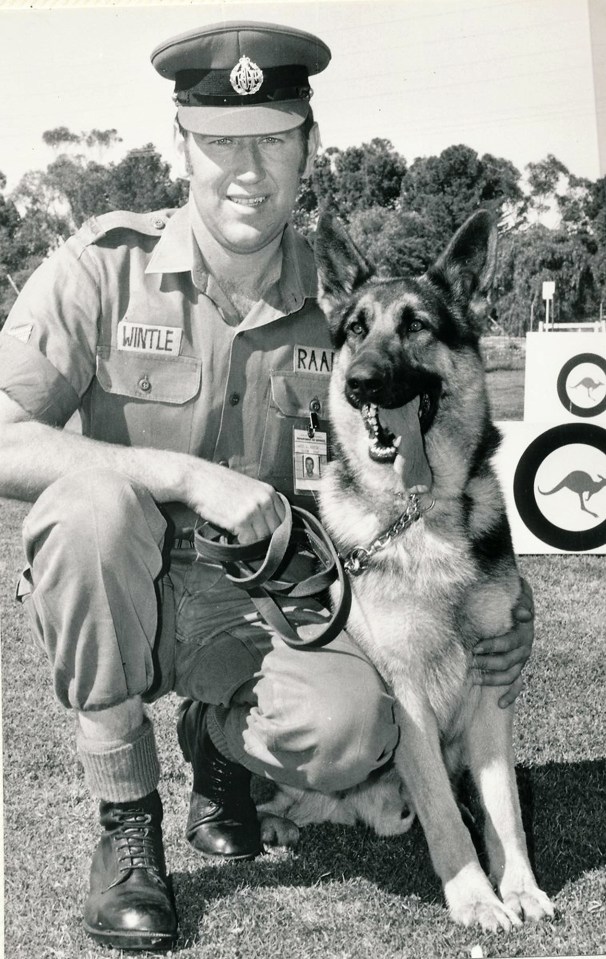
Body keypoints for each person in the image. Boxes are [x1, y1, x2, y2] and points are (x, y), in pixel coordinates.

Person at [0, 20, 535, 952]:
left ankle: (221, 744)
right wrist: (178, 476)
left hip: (267, 610)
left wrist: (497, 595)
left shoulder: (344, 305)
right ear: (183, 147)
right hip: (121, 586)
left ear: (307, 146)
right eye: (221, 142)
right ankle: (128, 826)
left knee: (353, 726)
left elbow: (418, 460)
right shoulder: (101, 265)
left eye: (273, 138)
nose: (247, 170)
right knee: (88, 510)